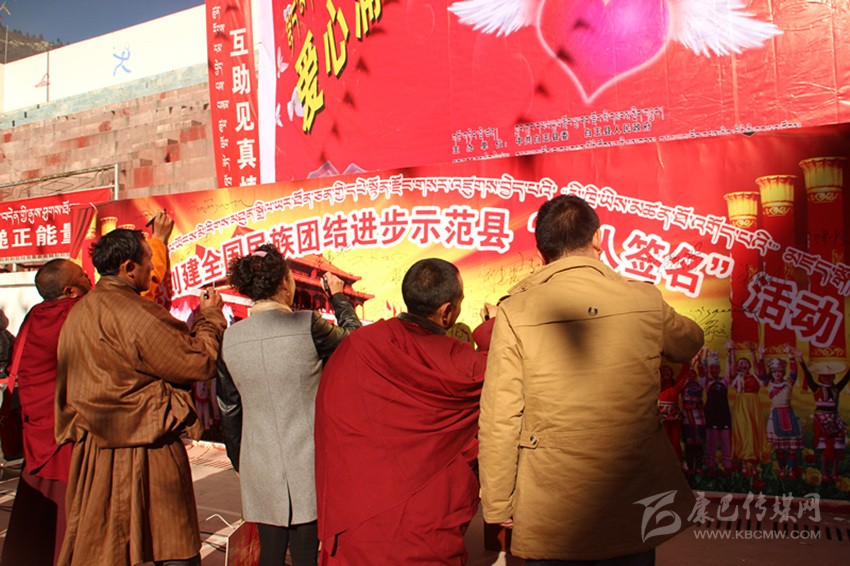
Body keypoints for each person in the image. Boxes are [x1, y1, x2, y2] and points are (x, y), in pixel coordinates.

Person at [479, 195, 704, 565]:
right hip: (633, 494)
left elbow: (500, 417)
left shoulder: (515, 310)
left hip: (553, 501)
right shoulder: (644, 298)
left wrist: (497, 501)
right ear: (598, 238)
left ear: (542, 250)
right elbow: (691, 340)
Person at [54, 228, 226, 566]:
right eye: (149, 261)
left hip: (96, 451)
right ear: (129, 267)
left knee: (105, 547)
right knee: (171, 546)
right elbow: (199, 362)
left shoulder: (79, 312)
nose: (152, 269)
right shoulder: (136, 314)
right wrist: (209, 317)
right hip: (146, 449)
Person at [315, 258, 492, 565]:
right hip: (425, 524)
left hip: (358, 517)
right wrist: (492, 325)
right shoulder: (462, 363)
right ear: (447, 312)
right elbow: (502, 364)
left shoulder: (359, 345)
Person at [216, 244, 362, 566]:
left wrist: (240, 461)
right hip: (306, 460)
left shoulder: (229, 339)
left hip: (259, 461)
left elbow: (229, 408)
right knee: (306, 553)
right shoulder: (307, 325)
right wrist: (339, 298)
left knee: (269, 552)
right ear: (285, 282)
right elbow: (356, 344)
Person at [0, 260, 91, 566]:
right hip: (68, 426)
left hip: (36, 423)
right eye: (82, 275)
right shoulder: (81, 313)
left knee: (36, 499)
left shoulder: (34, 315)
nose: (88, 277)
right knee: (70, 502)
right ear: (70, 290)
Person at [800, 359, 850, 482]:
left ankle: (834, 473)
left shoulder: (836, 389)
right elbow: (808, 376)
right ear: (820, 377)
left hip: (834, 420)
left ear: (833, 376)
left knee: (838, 447)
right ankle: (824, 473)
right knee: (825, 448)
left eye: (830, 376)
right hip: (822, 422)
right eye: (824, 376)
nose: (827, 378)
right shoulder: (816, 388)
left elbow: (846, 378)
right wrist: (801, 361)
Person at [729, 342, 771, 476]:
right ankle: (743, 464)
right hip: (741, 406)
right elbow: (732, 370)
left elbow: (758, 370)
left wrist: (753, 353)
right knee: (743, 432)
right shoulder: (736, 377)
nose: (743, 365)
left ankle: (754, 465)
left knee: (755, 432)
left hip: (754, 405)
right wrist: (732, 351)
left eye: (746, 363)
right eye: (741, 363)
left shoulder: (755, 376)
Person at [763, 347, 803, 479]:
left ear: (783, 372)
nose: (777, 374)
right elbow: (761, 373)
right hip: (775, 416)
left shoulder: (788, 383)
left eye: (780, 371)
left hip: (789, 415)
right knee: (779, 448)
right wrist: (761, 357)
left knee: (792, 447)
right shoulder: (769, 384)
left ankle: (791, 469)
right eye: (775, 372)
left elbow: (794, 373)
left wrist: (791, 358)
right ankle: (782, 469)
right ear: (772, 373)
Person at [700, 349, 733, 471]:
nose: (714, 370)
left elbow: (729, 370)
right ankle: (710, 465)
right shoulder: (707, 381)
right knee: (711, 441)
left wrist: (729, 354)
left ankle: (727, 466)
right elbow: (703, 370)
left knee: (726, 441)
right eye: (712, 368)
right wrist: (704, 355)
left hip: (724, 414)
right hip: (711, 414)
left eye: (716, 368)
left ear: (719, 369)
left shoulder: (724, 381)